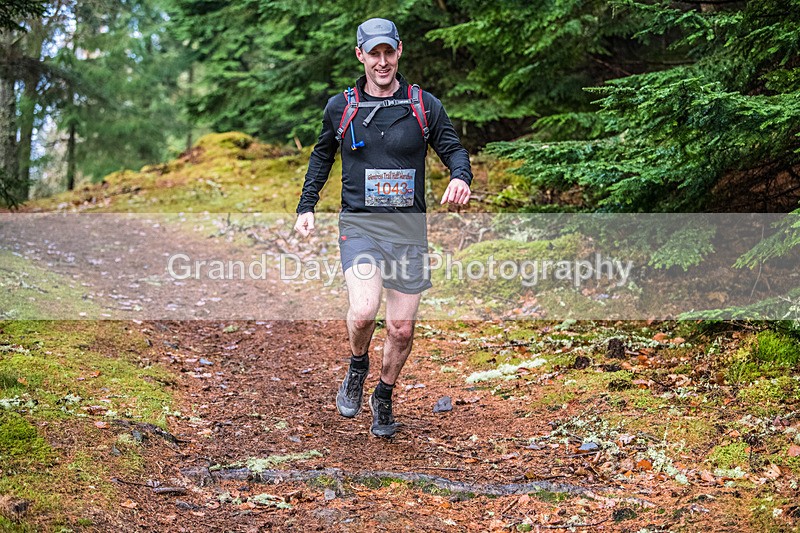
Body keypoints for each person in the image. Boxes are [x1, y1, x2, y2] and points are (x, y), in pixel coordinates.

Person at [294, 17, 472, 438]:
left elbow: (452, 146)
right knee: (361, 313)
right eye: (373, 53)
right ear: (360, 55)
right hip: (360, 226)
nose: (382, 61)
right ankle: (357, 367)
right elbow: (322, 156)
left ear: (399, 51)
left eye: (388, 52)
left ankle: (384, 395)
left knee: (401, 328)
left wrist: (460, 176)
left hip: (409, 232)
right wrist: (307, 205)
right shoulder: (342, 108)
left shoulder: (423, 105)